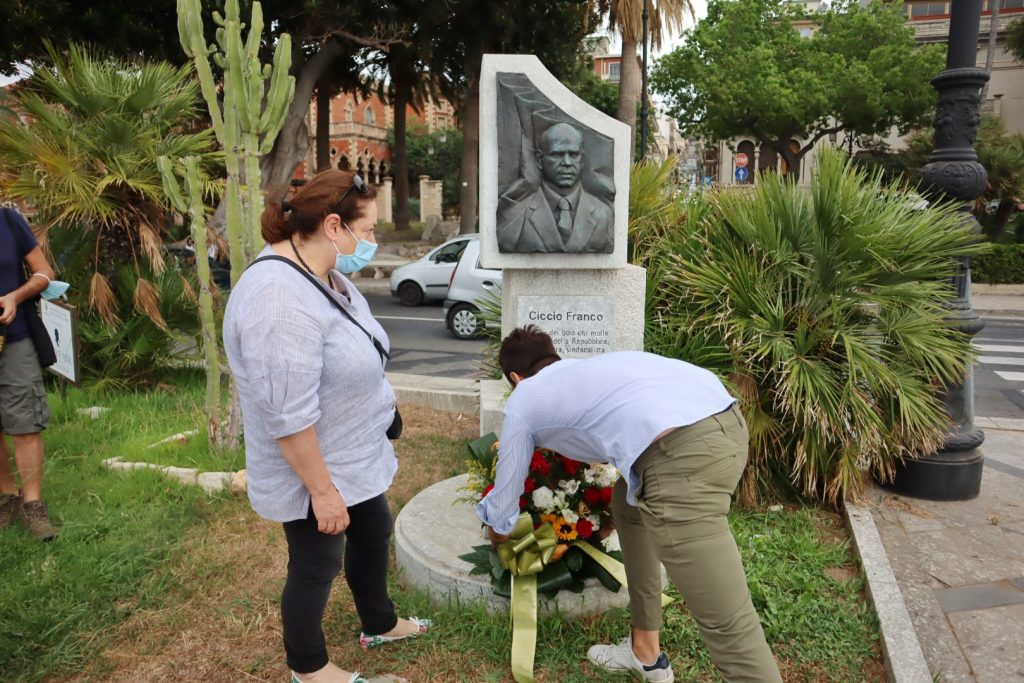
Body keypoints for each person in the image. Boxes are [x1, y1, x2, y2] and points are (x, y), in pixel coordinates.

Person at [478, 326, 783, 683]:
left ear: (515, 377)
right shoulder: (586, 371)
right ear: (553, 357)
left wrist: (499, 531)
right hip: (727, 421)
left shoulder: (524, 398)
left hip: (681, 457)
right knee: (627, 505)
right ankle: (645, 651)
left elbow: (506, 488)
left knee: (729, 623)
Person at [223, 170, 429, 683]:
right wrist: (322, 492)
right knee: (317, 562)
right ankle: (309, 668)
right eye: (371, 229)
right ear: (334, 225)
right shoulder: (278, 299)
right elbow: (287, 415)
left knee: (374, 529)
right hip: (313, 465)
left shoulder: (326, 275)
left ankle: (378, 624)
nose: (374, 241)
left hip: (352, 454)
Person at [0, 206, 59, 541]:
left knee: (25, 423)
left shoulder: (8, 220)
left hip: (14, 339)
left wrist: (14, 296)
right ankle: (8, 497)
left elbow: (44, 273)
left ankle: (33, 506)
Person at [497, 122, 613, 254]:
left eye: (574, 154)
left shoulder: (604, 214)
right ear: (540, 160)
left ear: (582, 159)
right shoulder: (516, 216)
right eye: (557, 154)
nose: (567, 163)